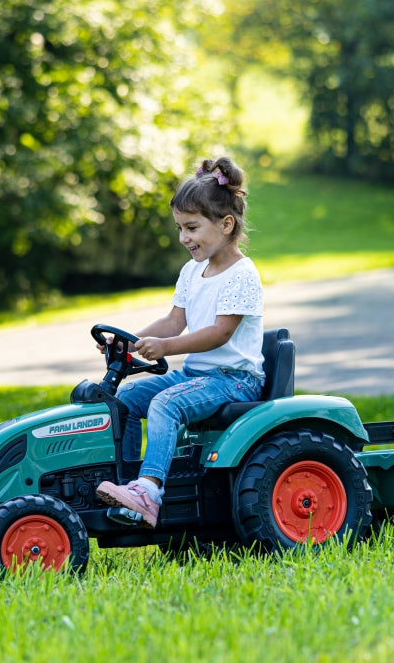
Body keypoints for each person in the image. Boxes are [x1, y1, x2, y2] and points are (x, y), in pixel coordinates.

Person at [96, 156, 265, 528]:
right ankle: (130, 487)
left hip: (234, 380)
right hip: (196, 375)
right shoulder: (193, 271)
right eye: (179, 228)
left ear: (226, 224)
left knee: (166, 404)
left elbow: (221, 333)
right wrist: (131, 341)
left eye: (191, 227)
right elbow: (174, 321)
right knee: (125, 400)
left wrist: (166, 347)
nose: (183, 238)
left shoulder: (242, 275)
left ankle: (150, 492)